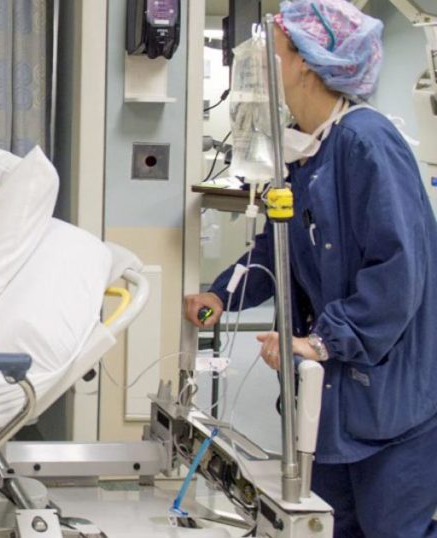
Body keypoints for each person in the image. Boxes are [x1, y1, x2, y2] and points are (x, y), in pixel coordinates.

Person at [184, 2, 437, 536]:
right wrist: (223, 294)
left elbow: (399, 271)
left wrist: (320, 341)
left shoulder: (367, 143)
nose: (264, 58)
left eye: (276, 46)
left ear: (304, 61)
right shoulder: (306, 154)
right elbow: (279, 248)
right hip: (333, 408)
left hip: (392, 407)